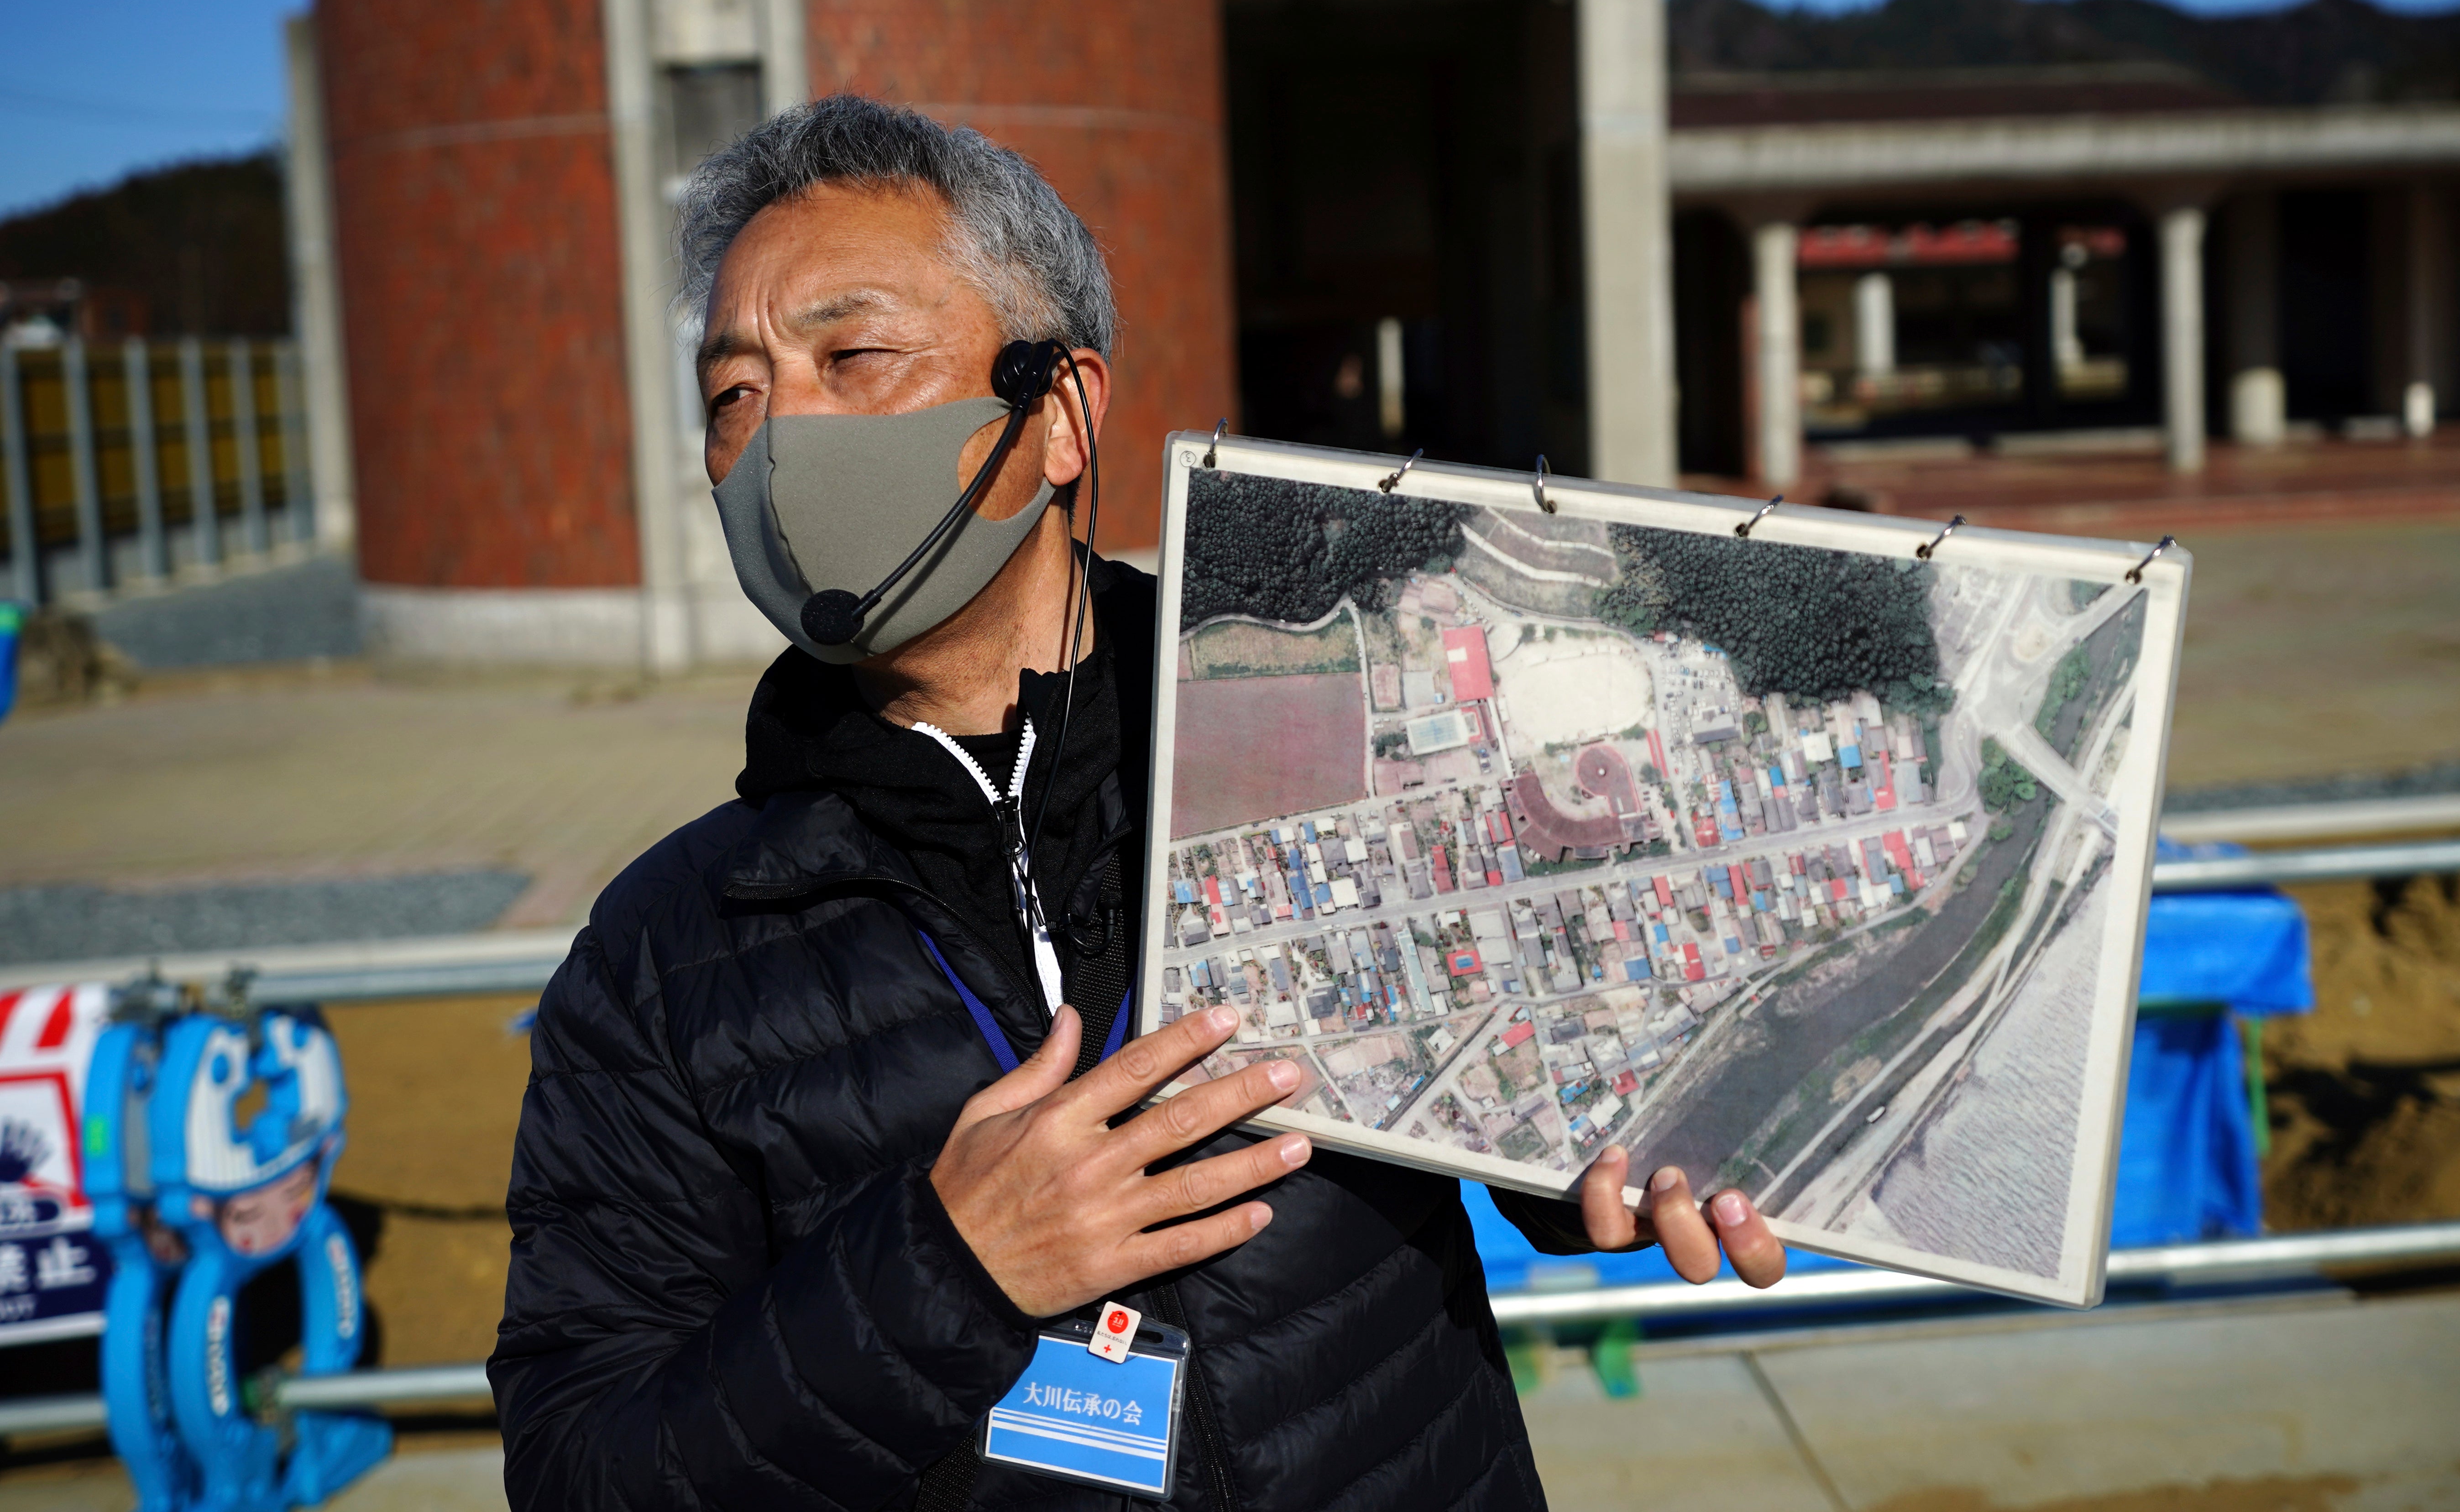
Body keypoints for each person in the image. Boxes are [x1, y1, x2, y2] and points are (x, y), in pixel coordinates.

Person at [491, 94, 1785, 1510]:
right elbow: (582, 1471)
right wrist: (940, 1273)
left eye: (851, 355)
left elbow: (1537, 1059)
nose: (779, 431)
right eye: (733, 394)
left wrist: (1622, 1137)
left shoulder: (1369, 754)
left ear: (1059, 412)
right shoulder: (663, 959)